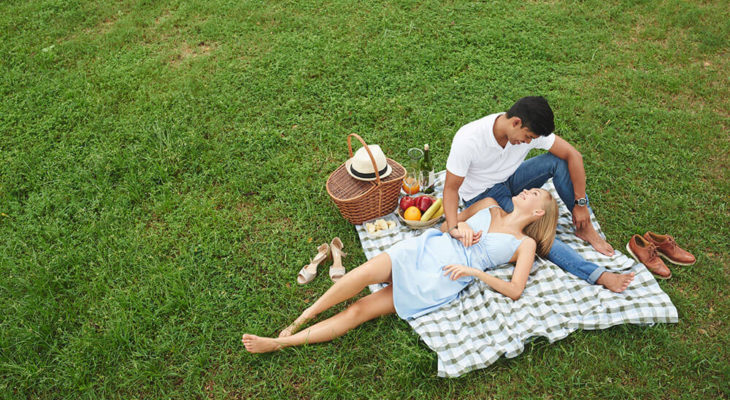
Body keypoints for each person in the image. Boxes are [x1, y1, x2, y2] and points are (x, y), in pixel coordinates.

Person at [242, 188, 560, 353]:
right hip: (426, 248)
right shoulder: (489, 204)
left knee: (359, 310)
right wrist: (459, 226)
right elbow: (450, 221)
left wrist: (473, 273)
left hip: (442, 276)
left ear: (537, 211)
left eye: (535, 194)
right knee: (360, 275)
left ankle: (279, 343)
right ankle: (300, 319)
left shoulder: (524, 244)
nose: (527, 191)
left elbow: (516, 290)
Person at [443, 96, 634, 293]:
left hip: (509, 179)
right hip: (483, 196)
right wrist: (453, 227)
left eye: (532, 140)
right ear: (516, 122)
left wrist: (581, 204)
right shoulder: (469, 139)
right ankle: (598, 275)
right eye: (528, 138)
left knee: (558, 161)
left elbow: (573, 155)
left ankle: (584, 227)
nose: (528, 143)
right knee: (536, 230)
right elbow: (450, 189)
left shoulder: (525, 128)